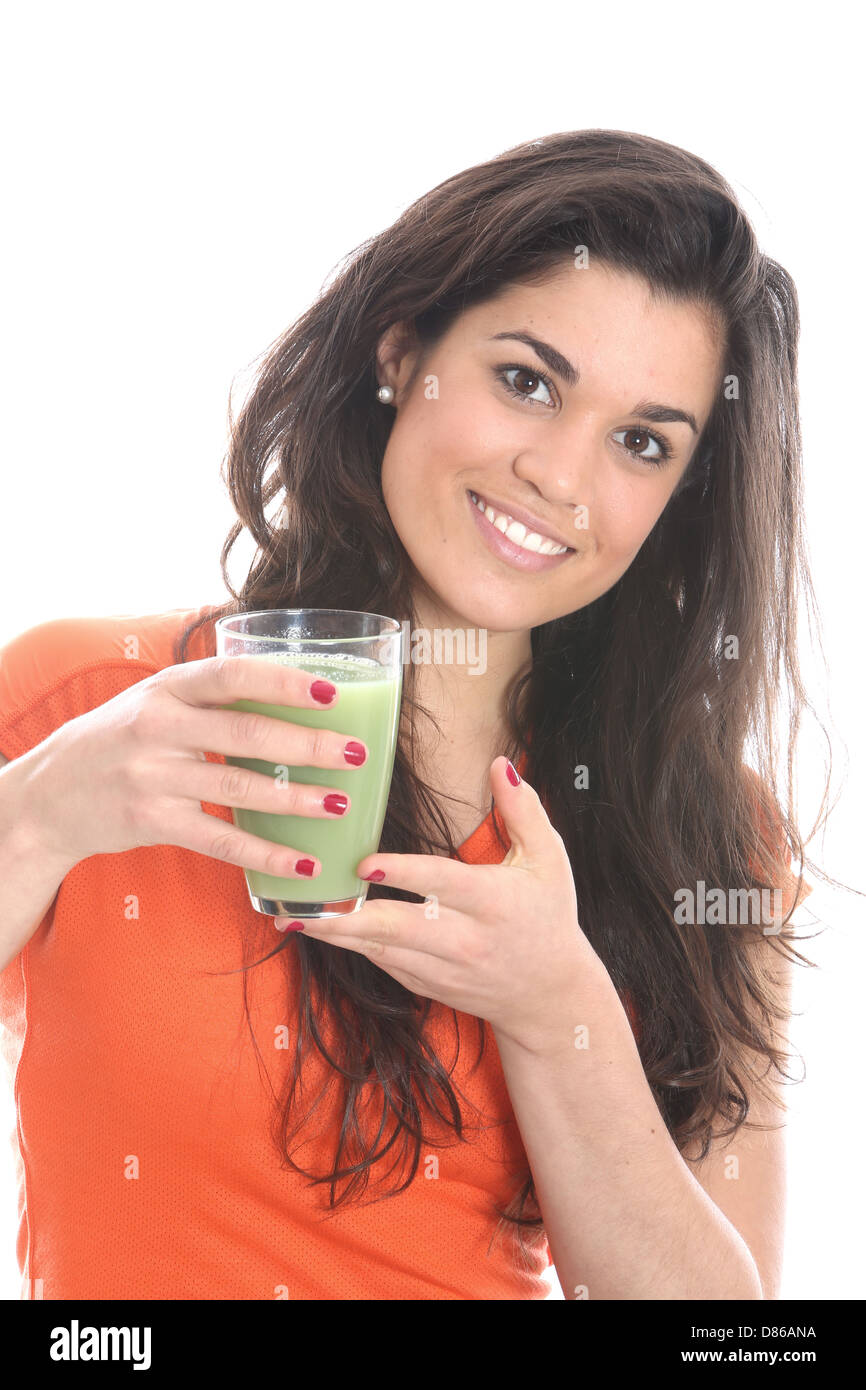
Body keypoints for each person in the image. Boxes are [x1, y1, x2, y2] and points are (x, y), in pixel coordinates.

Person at [0, 129, 823, 1301]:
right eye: (526, 380)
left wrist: (556, 1009)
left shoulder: (708, 832)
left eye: (640, 442)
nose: (560, 476)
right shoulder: (88, 703)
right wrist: (39, 813)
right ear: (401, 354)